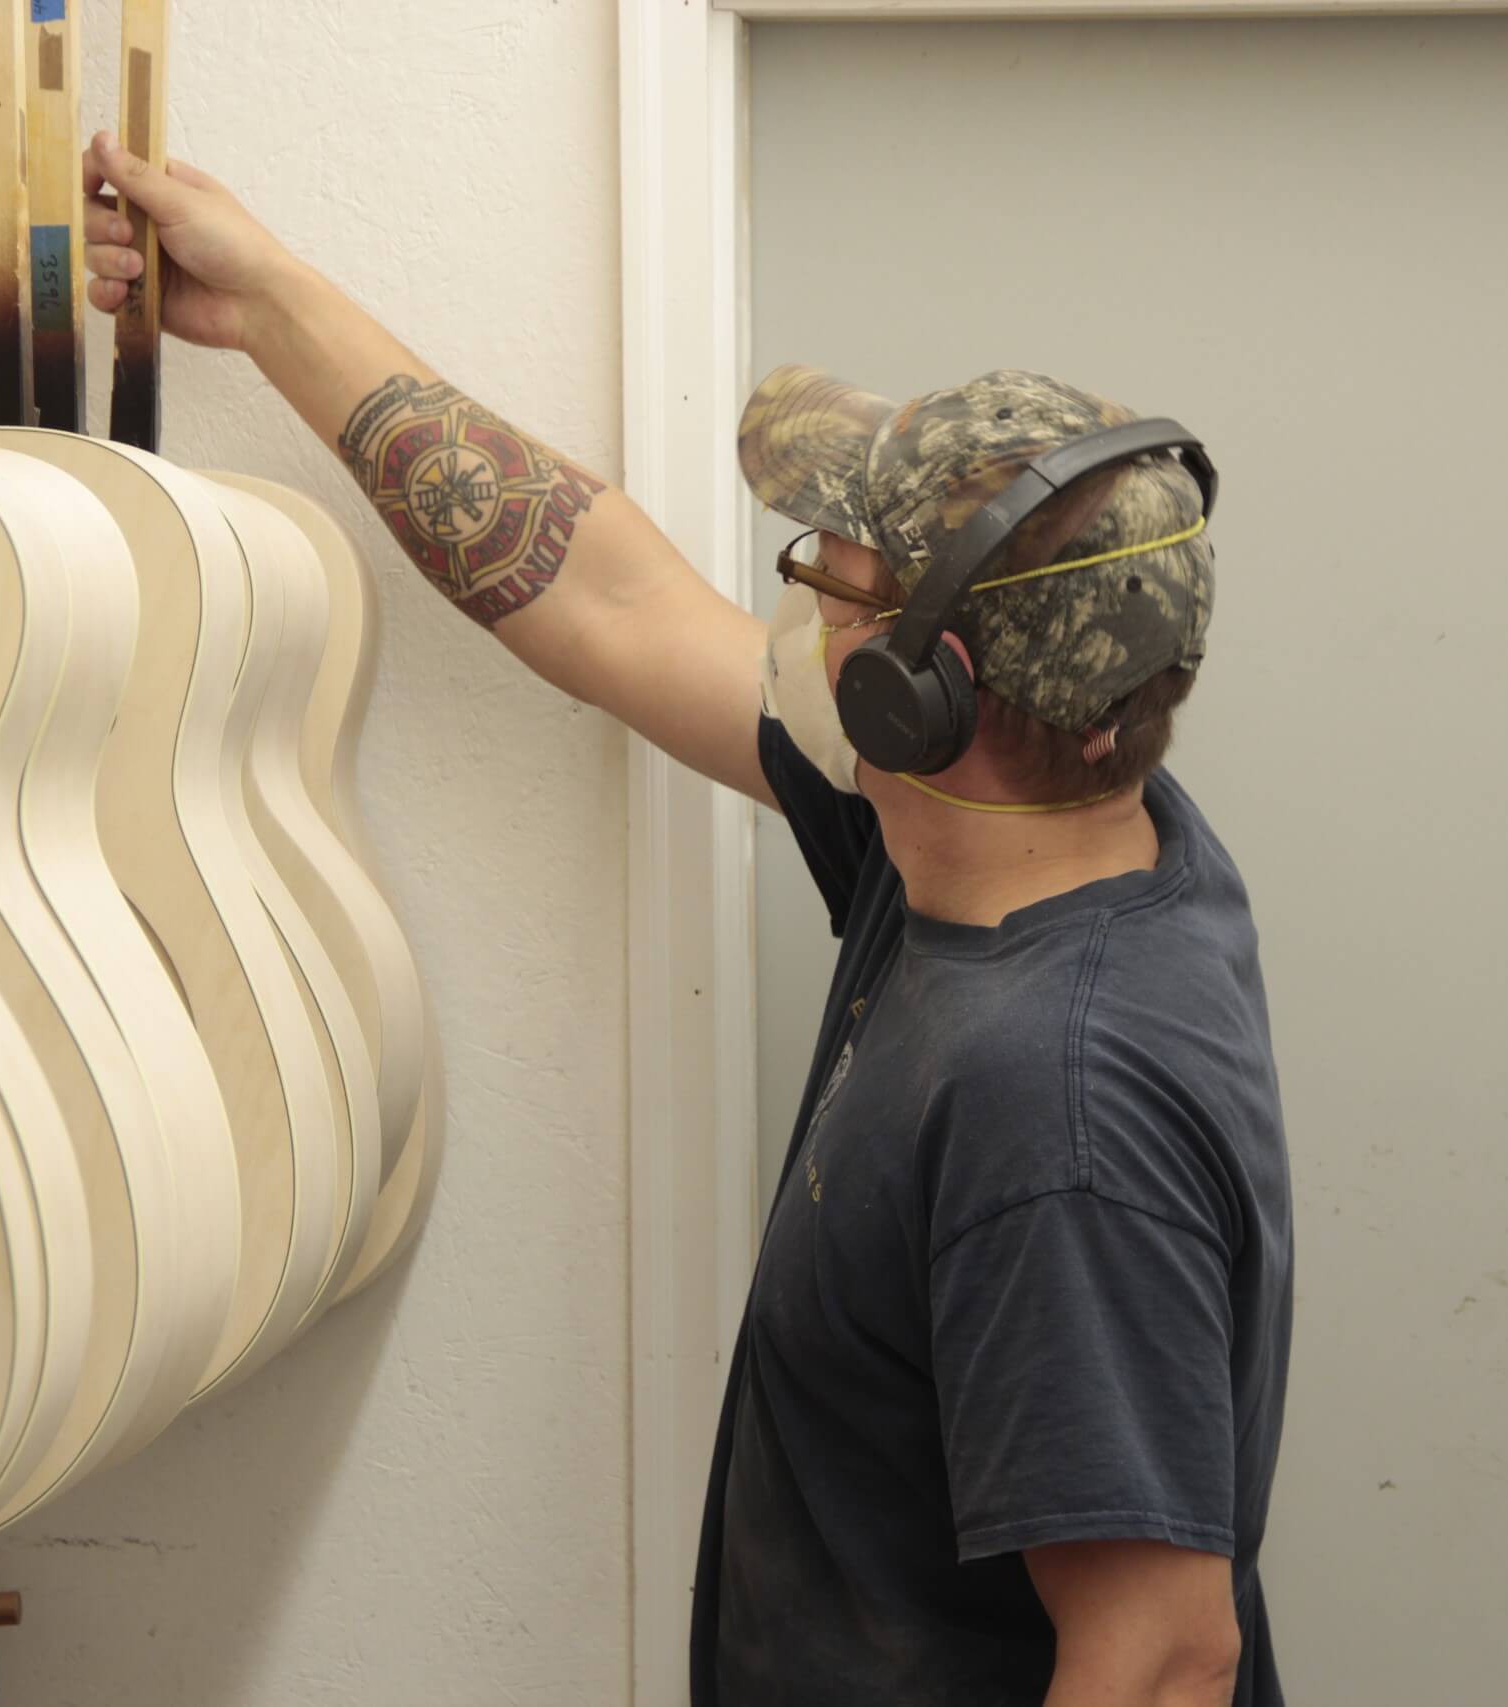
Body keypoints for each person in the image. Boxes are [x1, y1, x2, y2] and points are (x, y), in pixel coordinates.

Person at [82, 129, 1294, 1707]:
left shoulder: (1051, 1106)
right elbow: (616, 603)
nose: (791, 606)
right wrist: (274, 304)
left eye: (826, 573)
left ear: (919, 688)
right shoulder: (1031, 845)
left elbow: (1159, 1663)